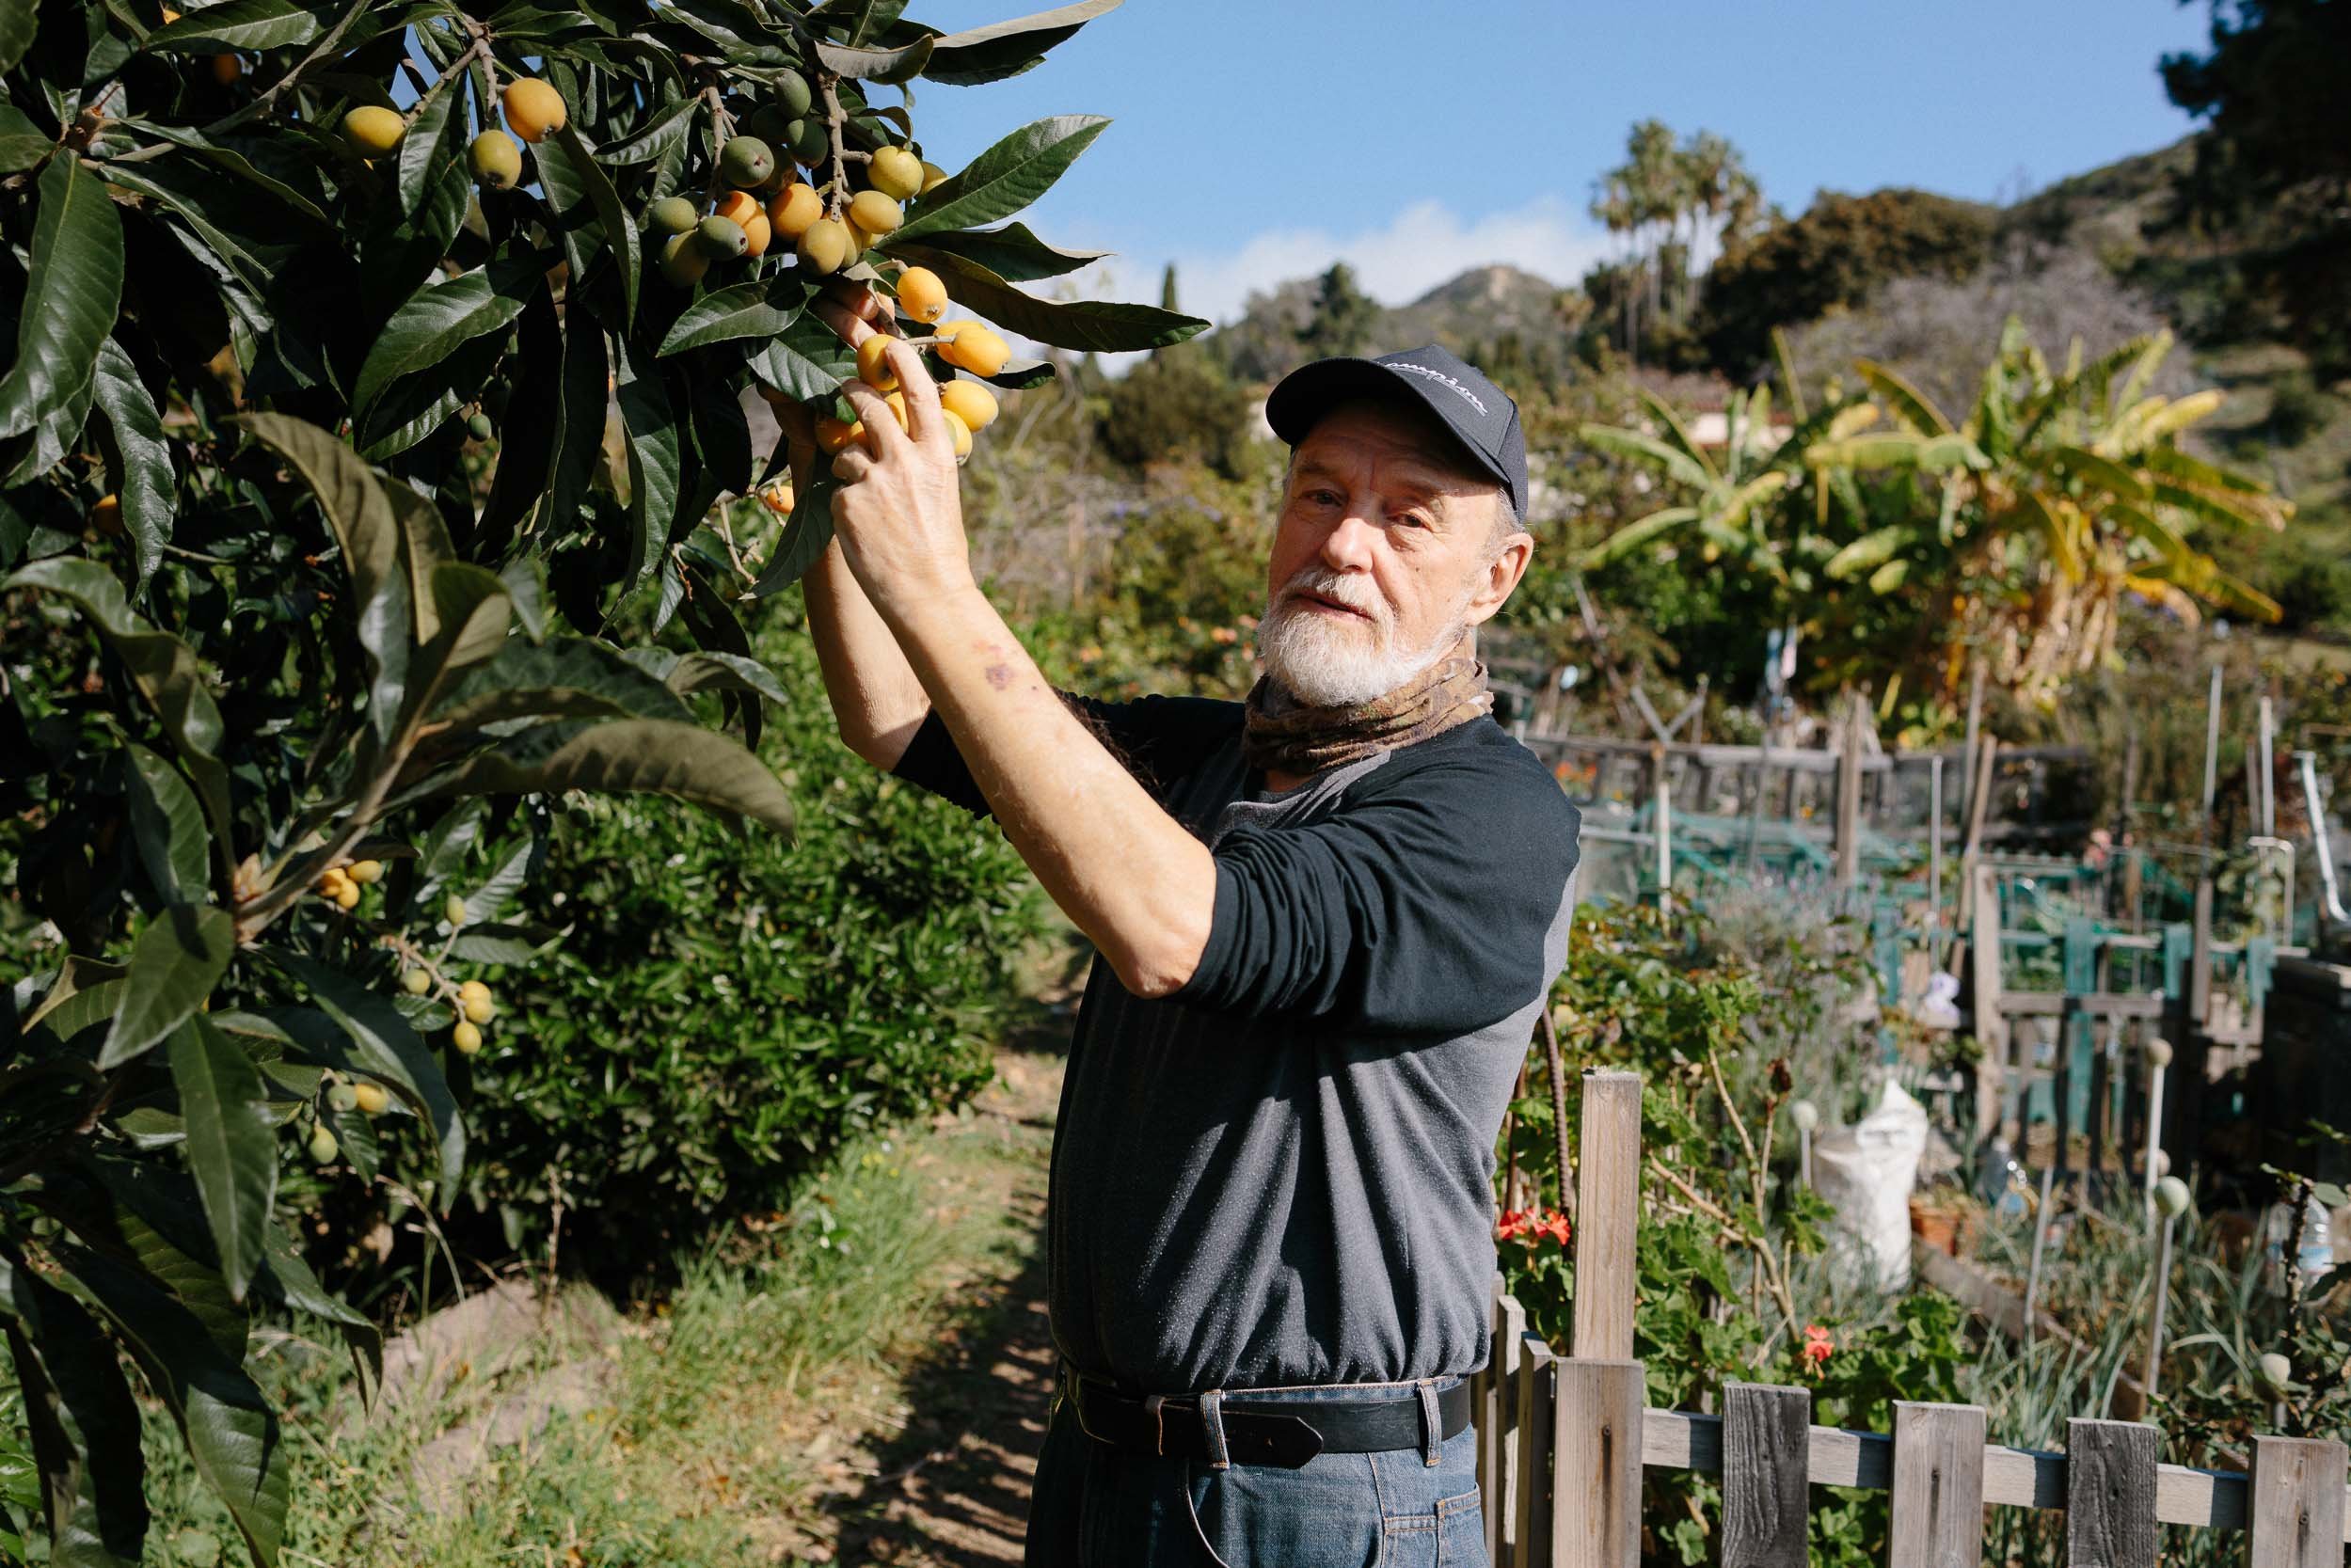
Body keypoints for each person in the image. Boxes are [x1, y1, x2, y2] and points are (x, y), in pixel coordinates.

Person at [788, 288, 1581, 1566]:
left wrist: (939, 585)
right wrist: (826, 466)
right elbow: (900, 719)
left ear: (1497, 578)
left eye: (1408, 517)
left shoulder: (1491, 815)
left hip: (1321, 1507)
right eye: (1320, 494)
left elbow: (1180, 926)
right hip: (1107, 1468)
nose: (1346, 543)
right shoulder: (1209, 755)